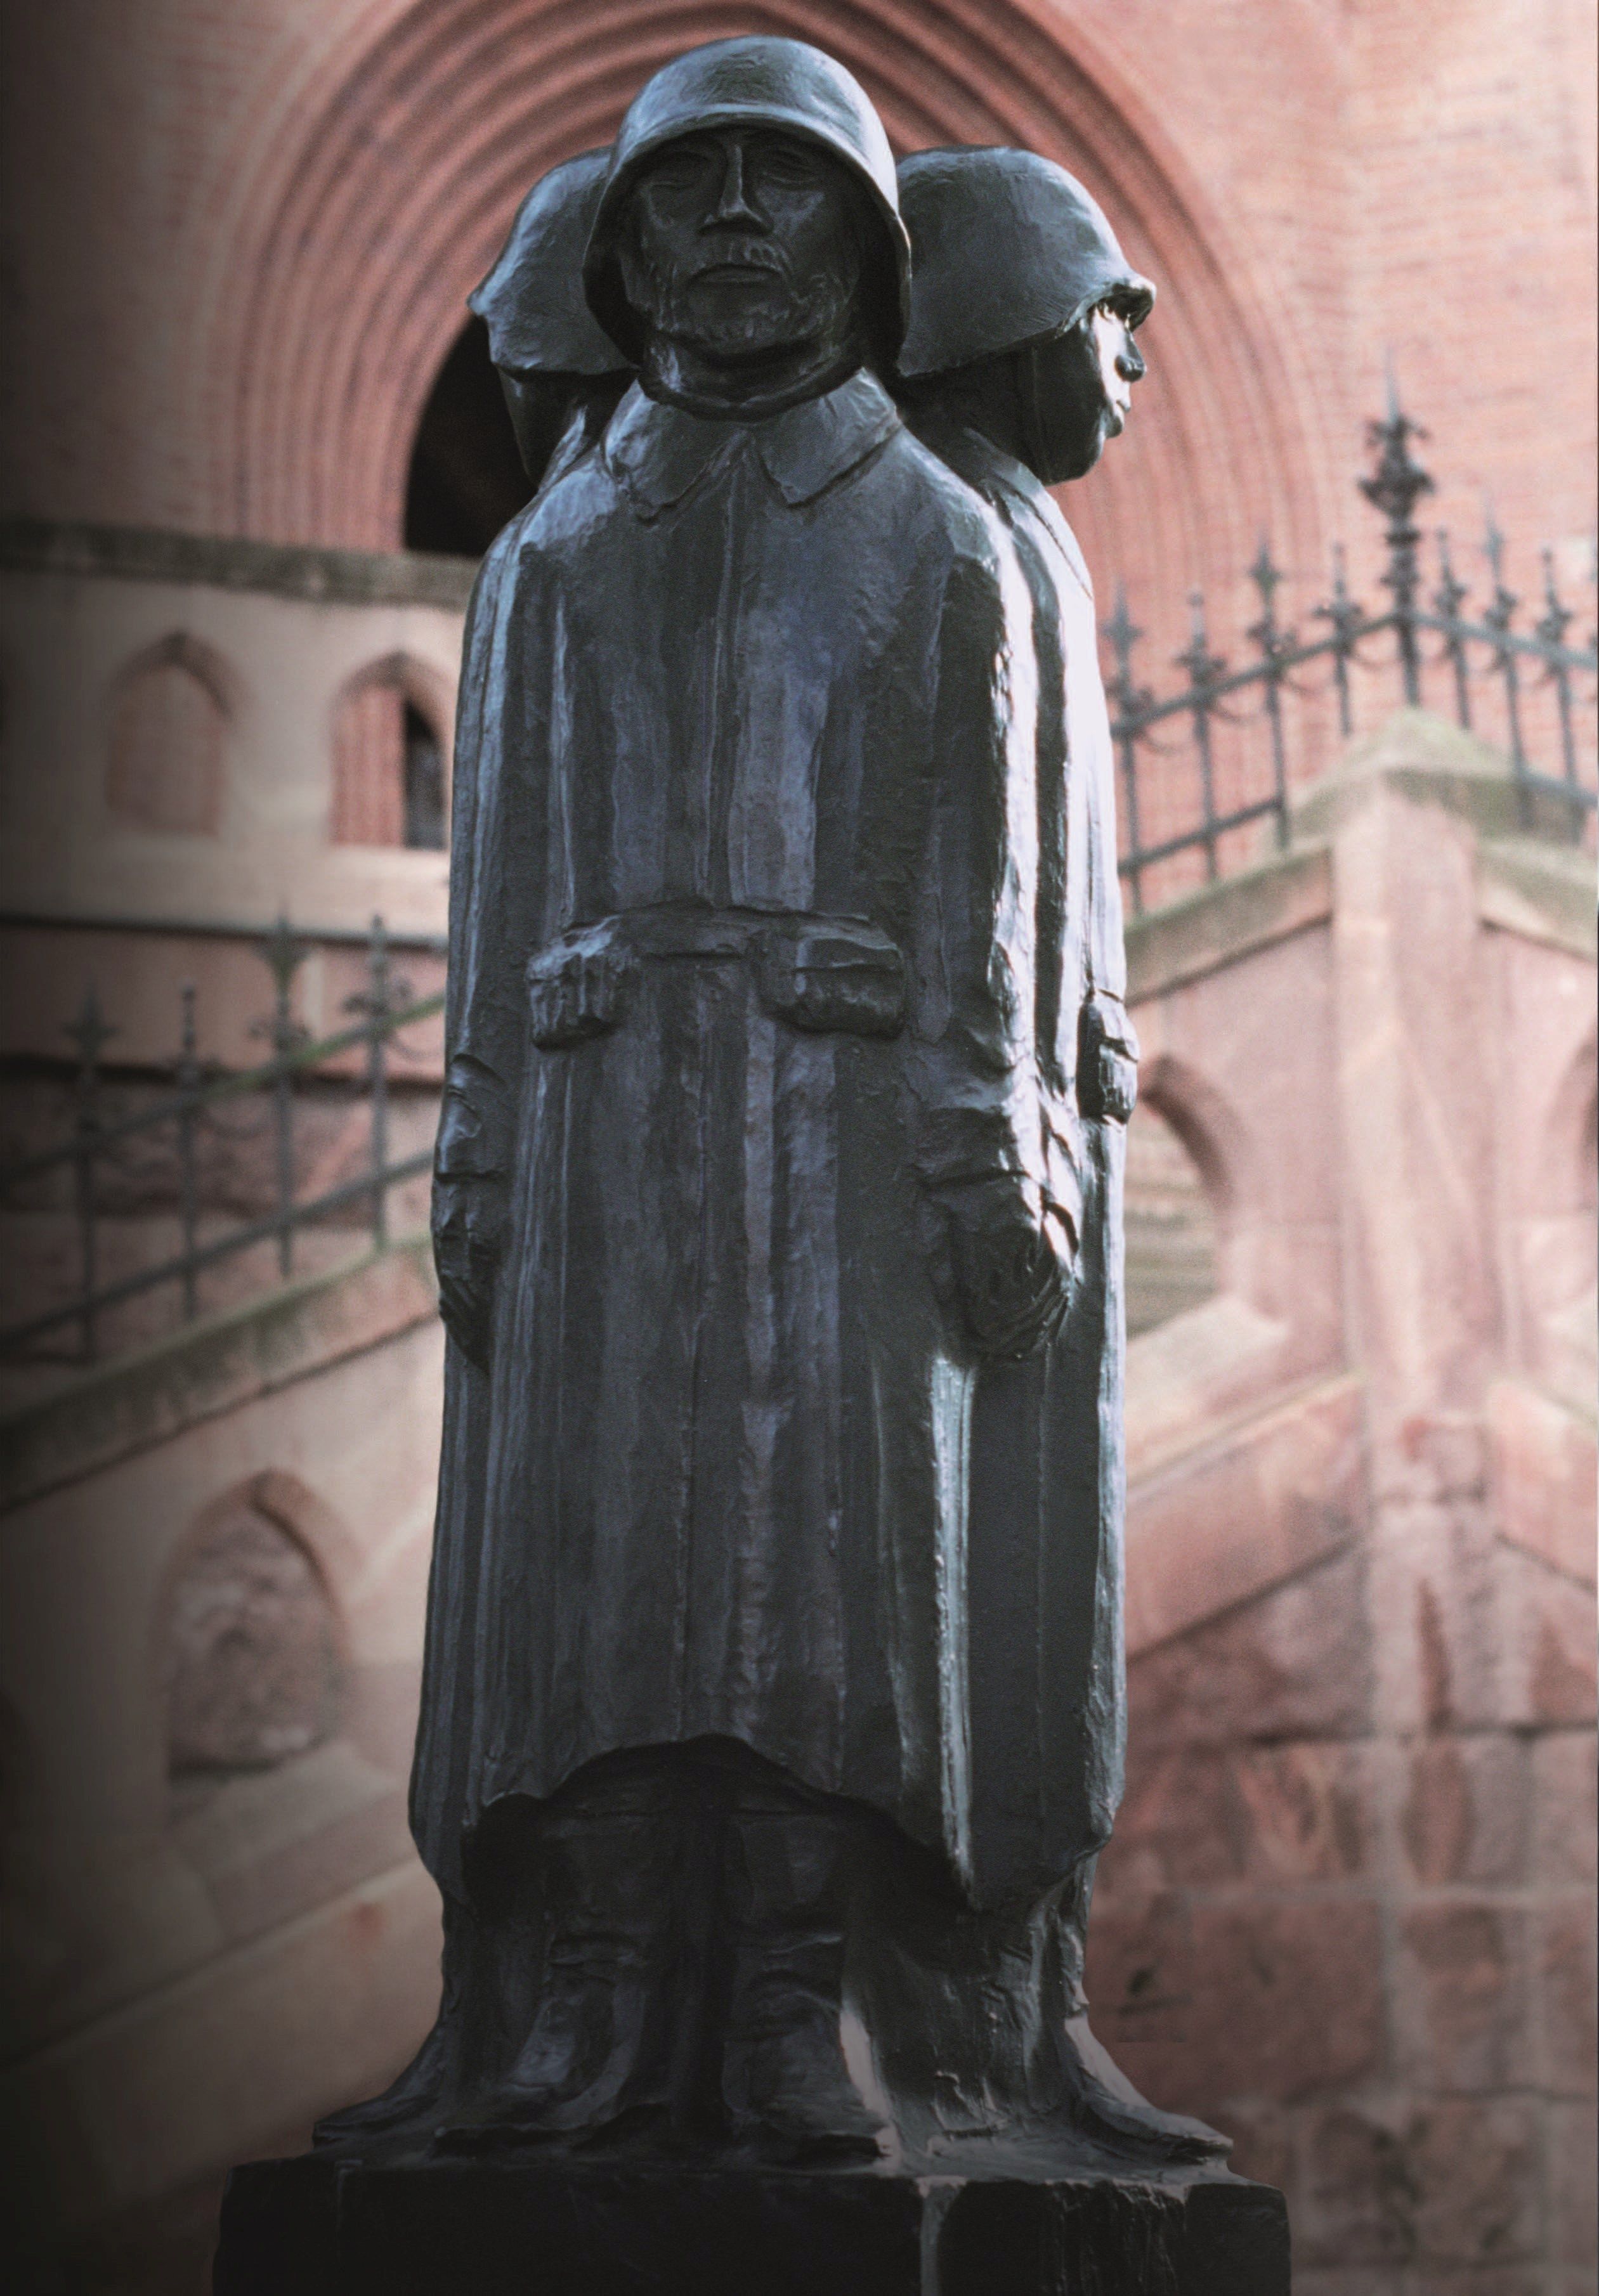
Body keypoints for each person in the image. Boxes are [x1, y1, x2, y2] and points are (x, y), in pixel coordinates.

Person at [890, 145, 1222, 2165]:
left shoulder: (1025, 535)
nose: (1129, 367)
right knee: (967, 1615)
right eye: (1108, 318)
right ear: (1009, 314)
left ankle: (1033, 2014)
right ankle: (960, 2025)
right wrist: (989, 1114)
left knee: (1044, 1618)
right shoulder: (941, 540)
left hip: (1057, 1132)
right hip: (976, 1157)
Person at [315, 150, 627, 2153]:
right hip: (575, 1144)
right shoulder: (543, 575)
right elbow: (503, 886)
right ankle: (537, 2001)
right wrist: (484, 1150)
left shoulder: (935, 544)